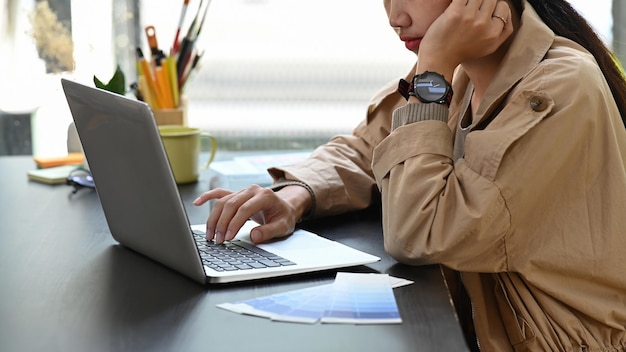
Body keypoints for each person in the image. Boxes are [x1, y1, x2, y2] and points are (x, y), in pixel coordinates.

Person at [194, 0, 626, 350]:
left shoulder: (556, 88)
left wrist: (434, 62)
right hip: (480, 323)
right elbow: (370, 145)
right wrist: (295, 195)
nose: (394, 17)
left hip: (548, 341)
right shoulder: (458, 72)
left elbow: (419, 231)